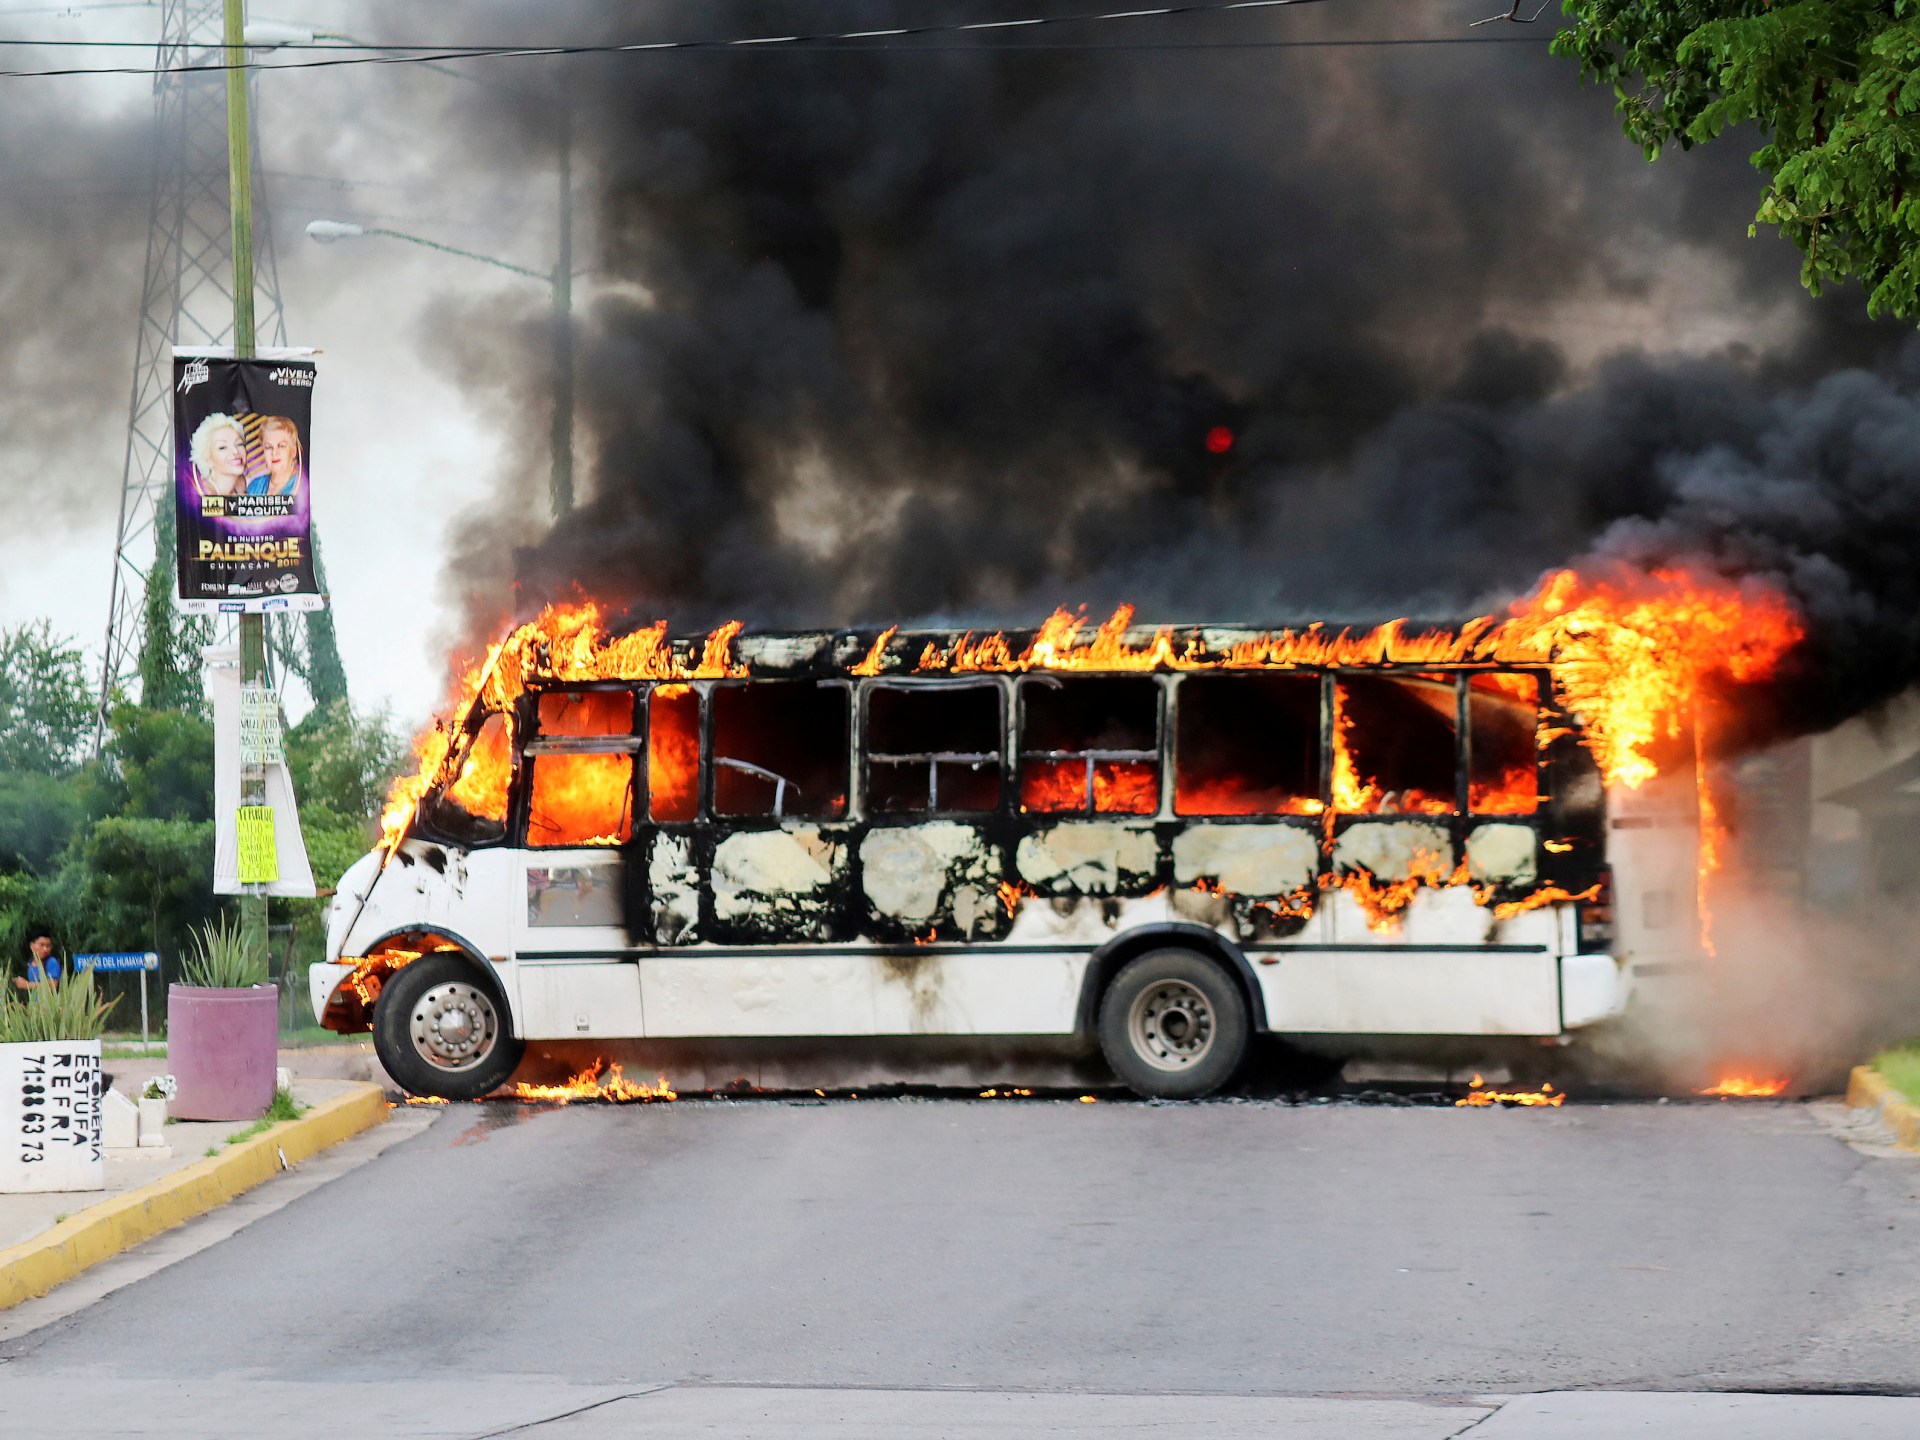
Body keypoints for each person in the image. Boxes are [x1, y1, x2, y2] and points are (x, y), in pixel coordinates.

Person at [189, 412, 250, 497]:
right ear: (208, 460)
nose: (235, 451)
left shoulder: (242, 484)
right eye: (223, 447)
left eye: (239, 444)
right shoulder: (203, 494)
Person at [247, 416, 303, 497]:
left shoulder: (303, 486)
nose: (274, 453)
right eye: (268, 447)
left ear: (293, 451)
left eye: (281, 446)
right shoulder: (255, 486)